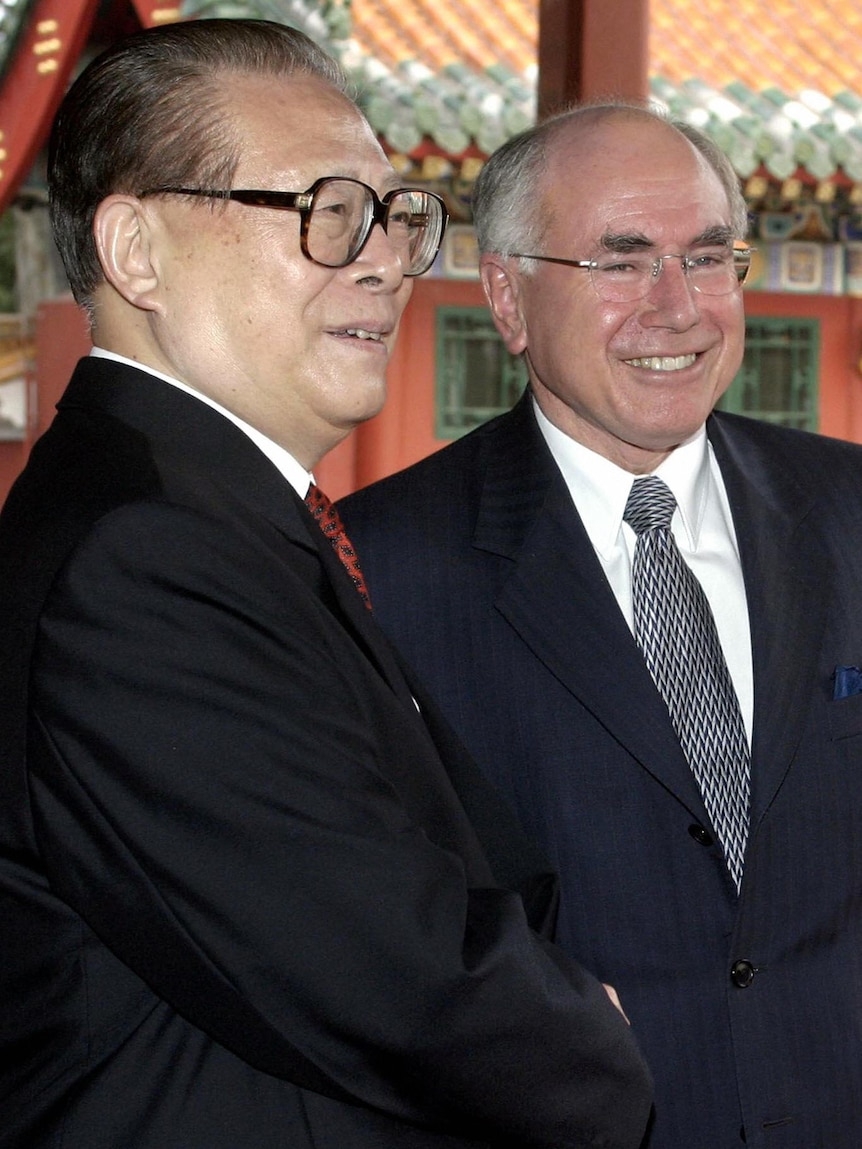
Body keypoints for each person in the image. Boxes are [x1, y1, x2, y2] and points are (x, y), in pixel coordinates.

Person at [0, 26, 654, 1149]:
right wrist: (592, 1041)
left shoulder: (216, 515)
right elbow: (385, 970)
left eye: (393, 217)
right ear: (137, 251)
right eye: (323, 211)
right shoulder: (143, 559)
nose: (384, 260)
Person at [340, 103, 862, 1148]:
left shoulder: (849, 509)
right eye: (620, 262)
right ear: (507, 296)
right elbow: (373, 936)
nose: (677, 309)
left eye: (708, 258)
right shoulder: (377, 567)